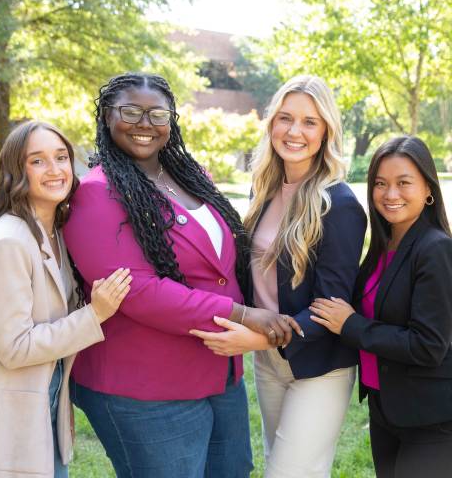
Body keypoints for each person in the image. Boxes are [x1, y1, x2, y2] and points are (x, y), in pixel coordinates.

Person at [63, 71, 301, 478]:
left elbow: (225, 261)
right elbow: (137, 291)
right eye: (131, 112)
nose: (145, 124)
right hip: (144, 386)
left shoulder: (192, 177)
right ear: (106, 116)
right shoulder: (96, 193)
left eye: (158, 114)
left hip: (217, 374)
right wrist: (242, 314)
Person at [191, 75, 367, 477]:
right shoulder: (265, 190)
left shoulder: (338, 204)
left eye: (310, 121)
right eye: (286, 118)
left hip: (320, 365)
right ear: (271, 124)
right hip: (269, 360)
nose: (295, 131)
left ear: (326, 131)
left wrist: (255, 337)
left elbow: (330, 308)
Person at [0, 121, 131, 478]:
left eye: (61, 157)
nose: (56, 170)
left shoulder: (53, 231)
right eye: (38, 161)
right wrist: (95, 315)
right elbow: (13, 348)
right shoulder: (9, 243)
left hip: (46, 405)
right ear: (17, 170)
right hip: (13, 416)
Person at [310, 136, 452, 478]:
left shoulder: (435, 249)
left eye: (404, 183)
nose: (390, 194)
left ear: (428, 189)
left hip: (431, 419)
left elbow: (428, 345)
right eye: (380, 184)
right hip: (385, 408)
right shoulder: (382, 248)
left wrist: (351, 325)